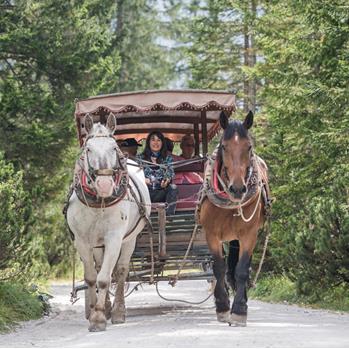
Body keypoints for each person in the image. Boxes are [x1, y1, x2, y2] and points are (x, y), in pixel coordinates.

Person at [138, 131, 178, 215]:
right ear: (148, 142)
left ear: (162, 143)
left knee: (173, 188)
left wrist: (166, 181)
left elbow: (169, 172)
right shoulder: (140, 158)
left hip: (160, 192)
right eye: (153, 140)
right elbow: (136, 174)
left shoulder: (168, 158)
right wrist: (143, 179)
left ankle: (168, 217)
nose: (156, 143)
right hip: (145, 192)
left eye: (158, 140)